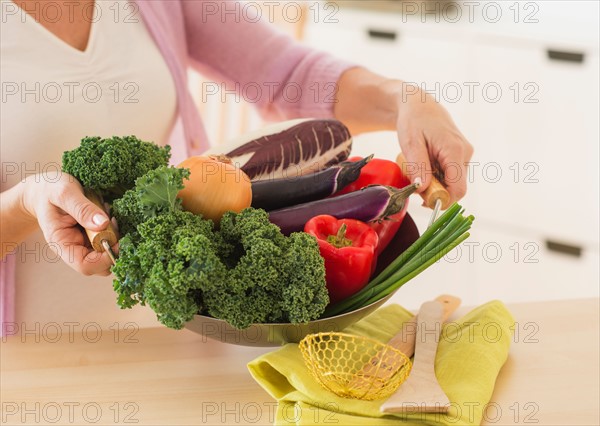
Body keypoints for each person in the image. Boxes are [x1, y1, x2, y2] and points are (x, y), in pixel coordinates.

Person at [0, 0, 472, 331]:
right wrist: (25, 205)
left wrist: (407, 100)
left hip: (180, 334)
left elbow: (285, 73)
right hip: (27, 363)